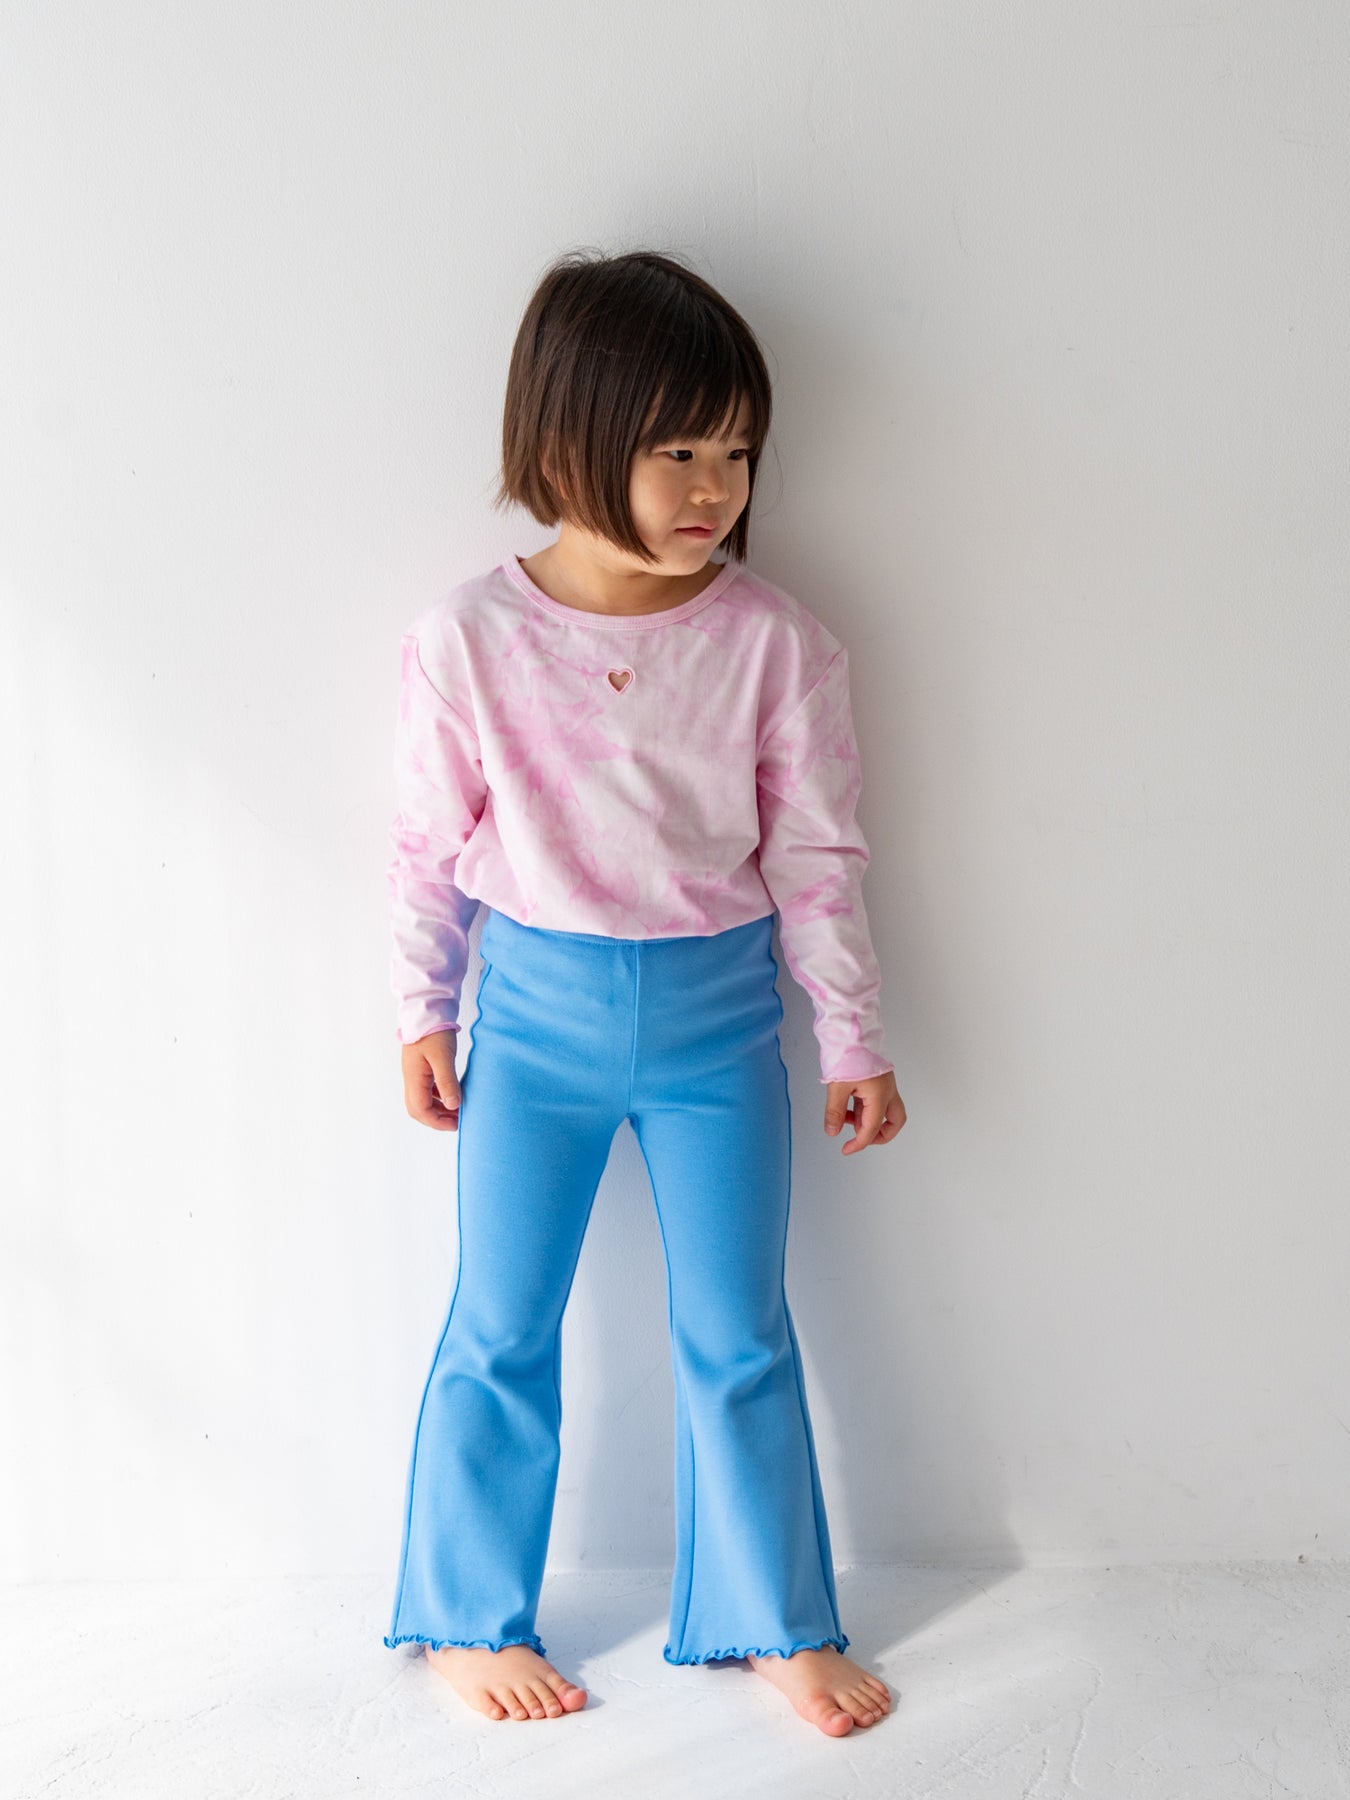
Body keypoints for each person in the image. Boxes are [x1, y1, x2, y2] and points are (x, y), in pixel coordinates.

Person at [381, 247, 907, 1738]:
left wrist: (854, 1037)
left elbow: (817, 856)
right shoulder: (467, 640)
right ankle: (464, 1614)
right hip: (529, 1031)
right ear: (565, 442)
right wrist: (423, 1011)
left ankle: (768, 1618)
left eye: (735, 451)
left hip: (717, 1032)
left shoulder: (774, 642)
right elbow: (425, 847)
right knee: (500, 1326)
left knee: (739, 1331)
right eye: (676, 449)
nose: (713, 488)